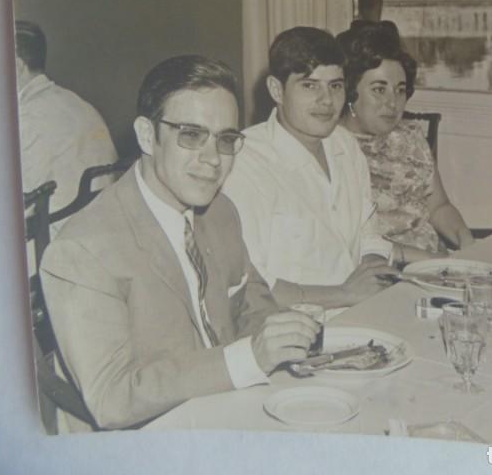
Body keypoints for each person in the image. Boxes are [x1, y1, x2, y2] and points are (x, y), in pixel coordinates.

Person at [40, 55, 319, 430]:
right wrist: (247, 359)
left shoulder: (220, 212)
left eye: (225, 140)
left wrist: (285, 338)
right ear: (146, 136)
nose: (212, 159)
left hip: (229, 411)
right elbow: (112, 399)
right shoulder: (82, 250)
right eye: (190, 135)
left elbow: (254, 303)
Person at [223, 27, 397, 310]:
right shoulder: (243, 164)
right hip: (291, 328)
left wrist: (373, 267)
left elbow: (369, 233)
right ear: (276, 90)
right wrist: (344, 294)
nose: (326, 100)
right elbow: (249, 287)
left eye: (335, 86)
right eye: (309, 85)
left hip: (362, 313)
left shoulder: (346, 146)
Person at [336, 20, 474, 253]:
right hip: (379, 273)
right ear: (350, 91)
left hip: (432, 267)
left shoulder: (411, 139)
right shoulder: (331, 148)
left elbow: (439, 207)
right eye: (379, 90)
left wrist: (466, 241)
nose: (393, 102)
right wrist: (425, 261)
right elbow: (348, 241)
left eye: (400, 89)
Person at [15, 20, 117, 214]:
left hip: (52, 236)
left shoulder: (27, 117)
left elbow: (16, 207)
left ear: (17, 66)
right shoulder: (76, 103)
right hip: (98, 226)